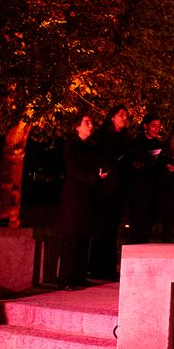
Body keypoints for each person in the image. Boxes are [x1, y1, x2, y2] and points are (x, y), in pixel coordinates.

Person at [55, 113, 103, 289]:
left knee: (84, 235)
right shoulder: (71, 145)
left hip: (89, 196)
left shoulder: (92, 147)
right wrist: (94, 178)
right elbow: (73, 170)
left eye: (91, 123)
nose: (90, 126)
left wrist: (100, 175)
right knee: (72, 236)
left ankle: (79, 276)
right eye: (86, 122)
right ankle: (65, 279)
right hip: (74, 196)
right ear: (77, 126)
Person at [89, 104, 130, 279]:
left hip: (119, 188)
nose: (124, 118)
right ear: (112, 117)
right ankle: (96, 267)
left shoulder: (125, 138)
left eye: (126, 115)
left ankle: (108, 267)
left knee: (113, 229)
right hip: (104, 187)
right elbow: (98, 157)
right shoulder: (102, 136)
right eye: (121, 114)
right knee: (101, 227)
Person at [124, 113, 166, 244]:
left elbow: (161, 166)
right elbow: (129, 163)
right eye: (153, 126)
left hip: (152, 189)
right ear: (145, 126)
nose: (156, 129)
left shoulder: (159, 144)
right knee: (136, 224)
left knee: (148, 224)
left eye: (158, 126)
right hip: (138, 188)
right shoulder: (136, 142)